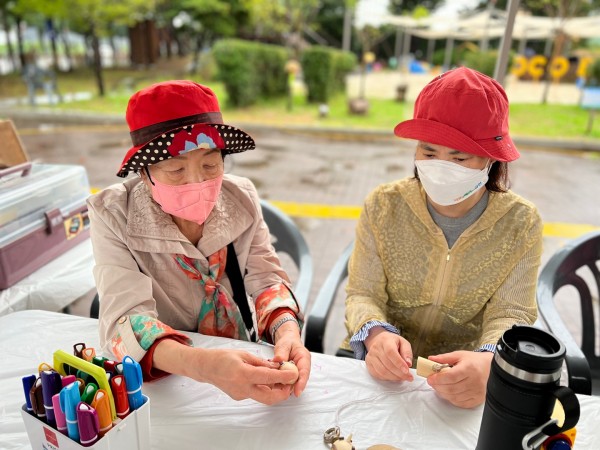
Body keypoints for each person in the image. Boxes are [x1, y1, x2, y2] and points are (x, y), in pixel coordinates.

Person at [88, 80, 310, 405]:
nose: (197, 182)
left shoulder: (241, 197)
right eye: (175, 169)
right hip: (166, 378)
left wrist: (287, 331)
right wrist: (204, 365)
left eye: (210, 164)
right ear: (145, 172)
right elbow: (125, 321)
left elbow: (266, 278)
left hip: (241, 355)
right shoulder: (113, 215)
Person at [341, 67, 543, 409]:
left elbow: (512, 311)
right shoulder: (383, 205)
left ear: (490, 160)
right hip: (377, 366)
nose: (439, 166)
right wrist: (375, 335)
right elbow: (362, 292)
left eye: (459, 157)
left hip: (463, 377)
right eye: (429, 152)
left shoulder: (520, 223)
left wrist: (488, 361)